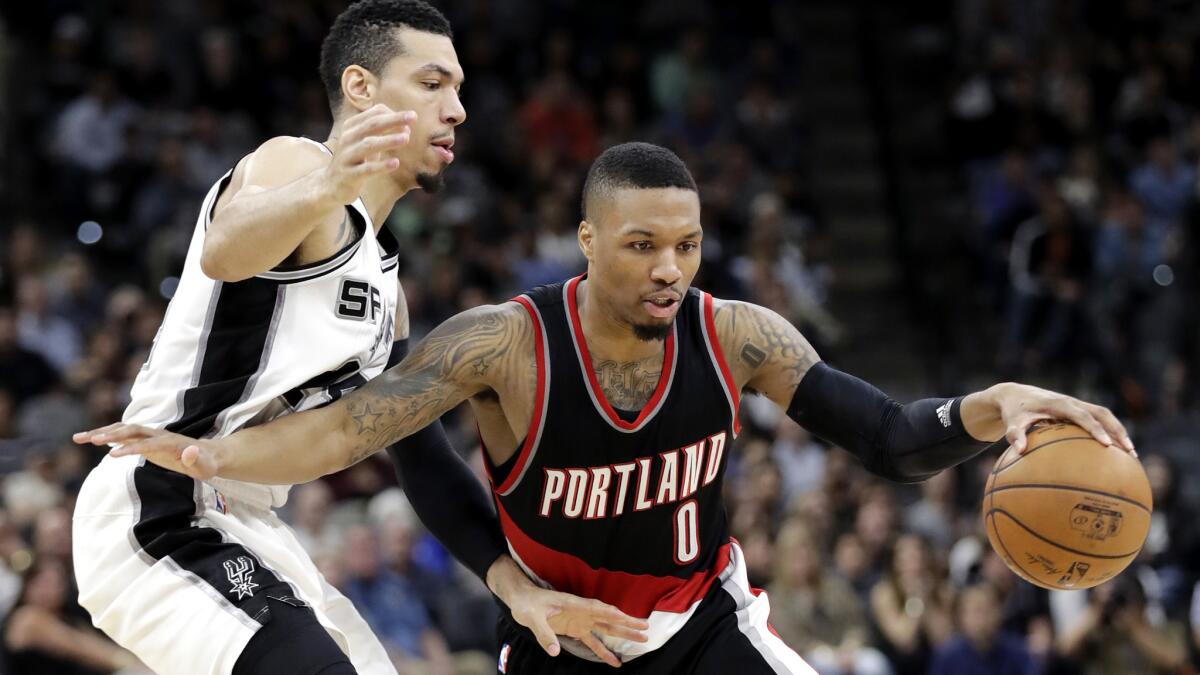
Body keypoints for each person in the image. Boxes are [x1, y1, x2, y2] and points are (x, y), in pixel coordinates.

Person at [81, 142, 1135, 673]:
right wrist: (211, 457)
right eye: (642, 244)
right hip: (560, 645)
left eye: (687, 243)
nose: (670, 266)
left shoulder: (739, 336)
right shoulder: (504, 345)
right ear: (587, 242)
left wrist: (997, 404)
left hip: (706, 629)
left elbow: (893, 442)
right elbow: (368, 431)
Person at [69, 2, 645, 674]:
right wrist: (325, 185)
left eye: (458, 89)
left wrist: (517, 587)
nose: (456, 109)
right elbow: (224, 251)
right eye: (432, 85)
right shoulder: (293, 165)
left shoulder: (387, 293)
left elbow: (420, 452)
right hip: (160, 504)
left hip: (249, 520)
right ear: (360, 87)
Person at [928, 583, 1041, 675]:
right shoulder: (947, 656)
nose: (983, 618)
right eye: (977, 611)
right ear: (961, 617)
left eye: (988, 609)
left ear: (999, 613)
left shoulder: (1019, 652)